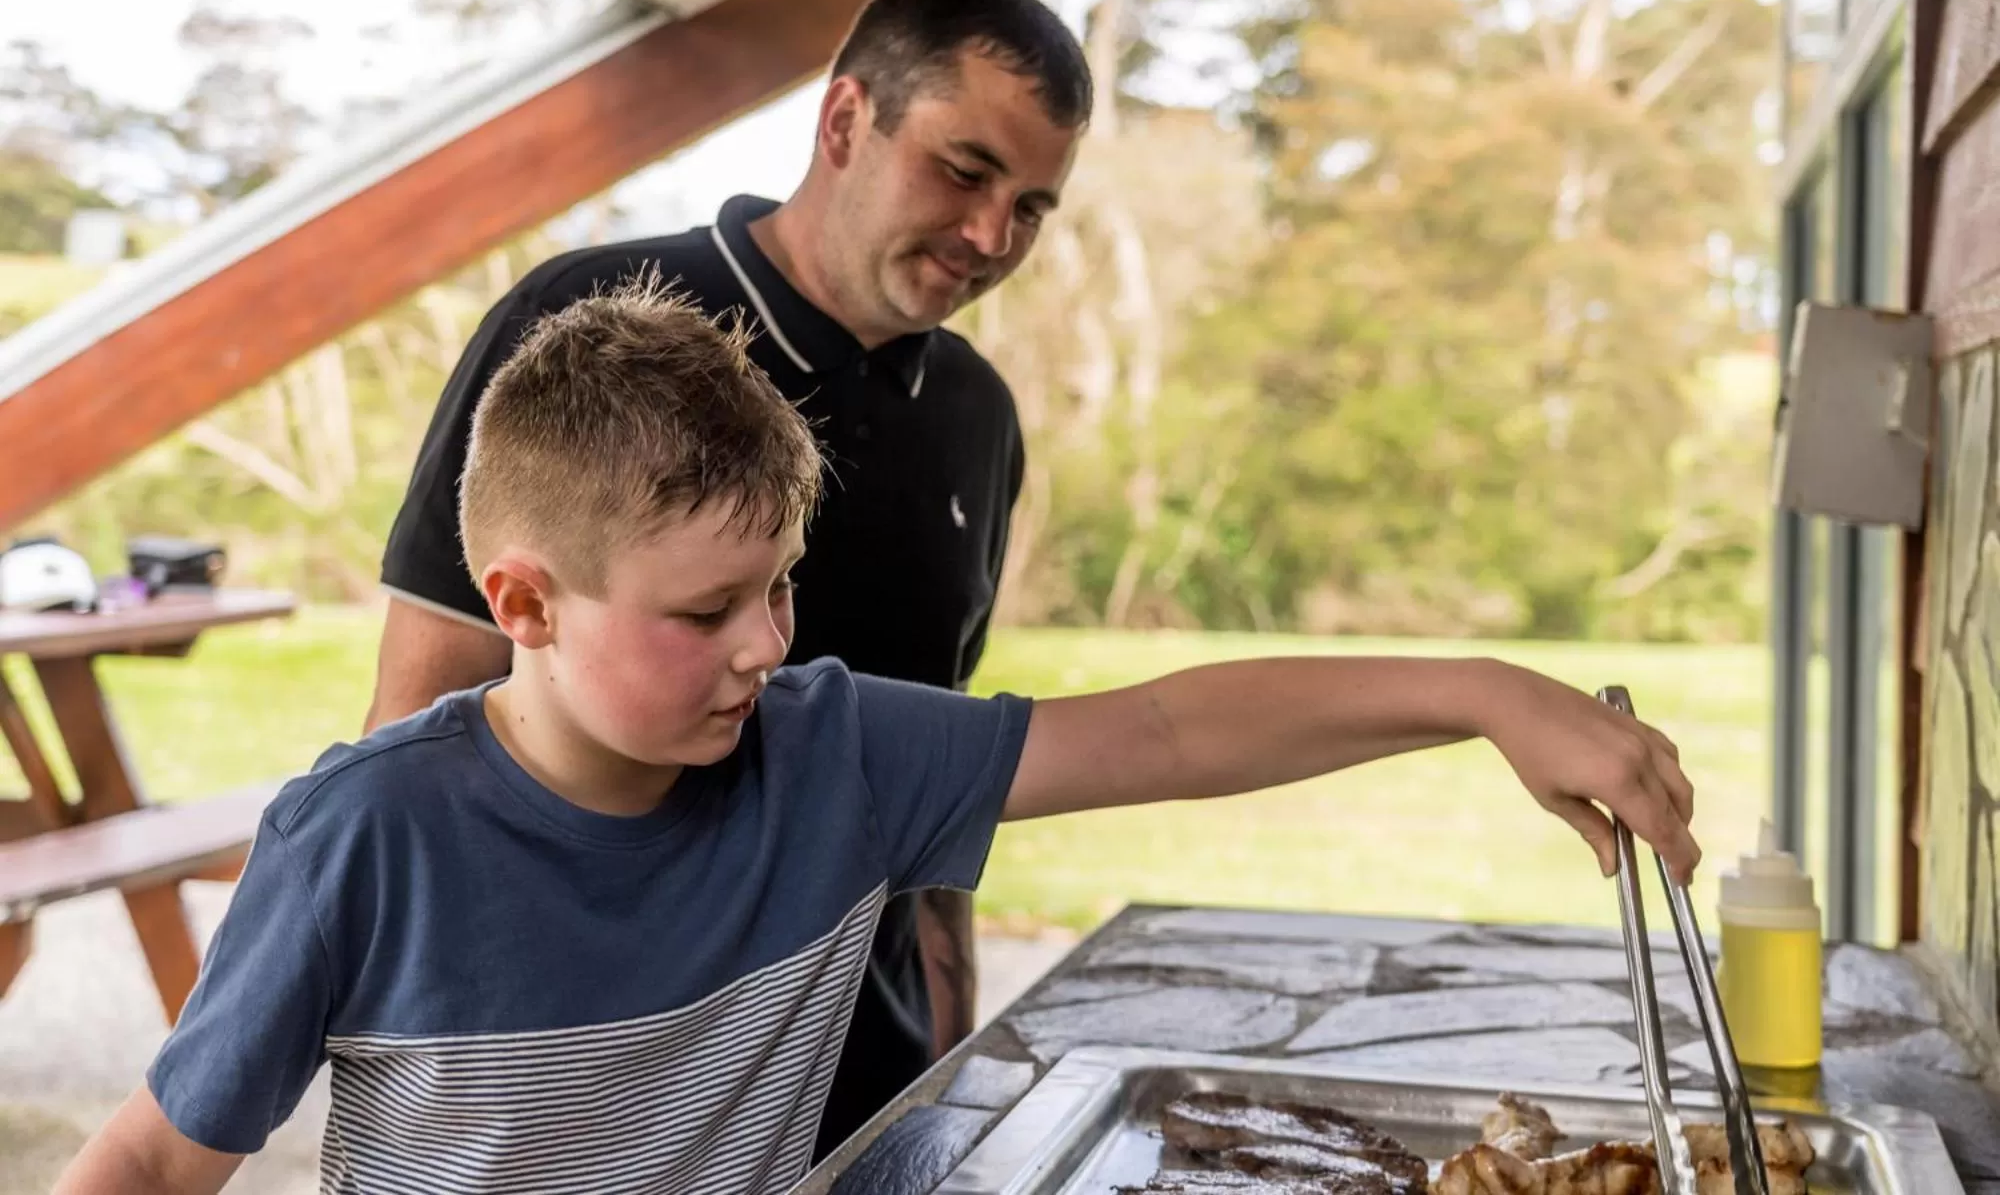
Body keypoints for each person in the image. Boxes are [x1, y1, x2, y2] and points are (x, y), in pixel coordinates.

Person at [57, 286, 1700, 1195]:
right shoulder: (366, 834)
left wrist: (1484, 687)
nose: (768, 645)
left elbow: (1175, 723)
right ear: (524, 601)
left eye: (780, 585)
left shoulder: (828, 753)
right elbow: (148, 1154)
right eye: (707, 612)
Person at [362, 0, 1085, 1157]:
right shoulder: (593, 312)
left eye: (1030, 207)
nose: (988, 235)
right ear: (846, 119)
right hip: (591, 1093)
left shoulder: (978, 413)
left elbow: (939, 767)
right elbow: (419, 723)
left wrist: (951, 1066)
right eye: (963, 172)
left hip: (865, 1097)